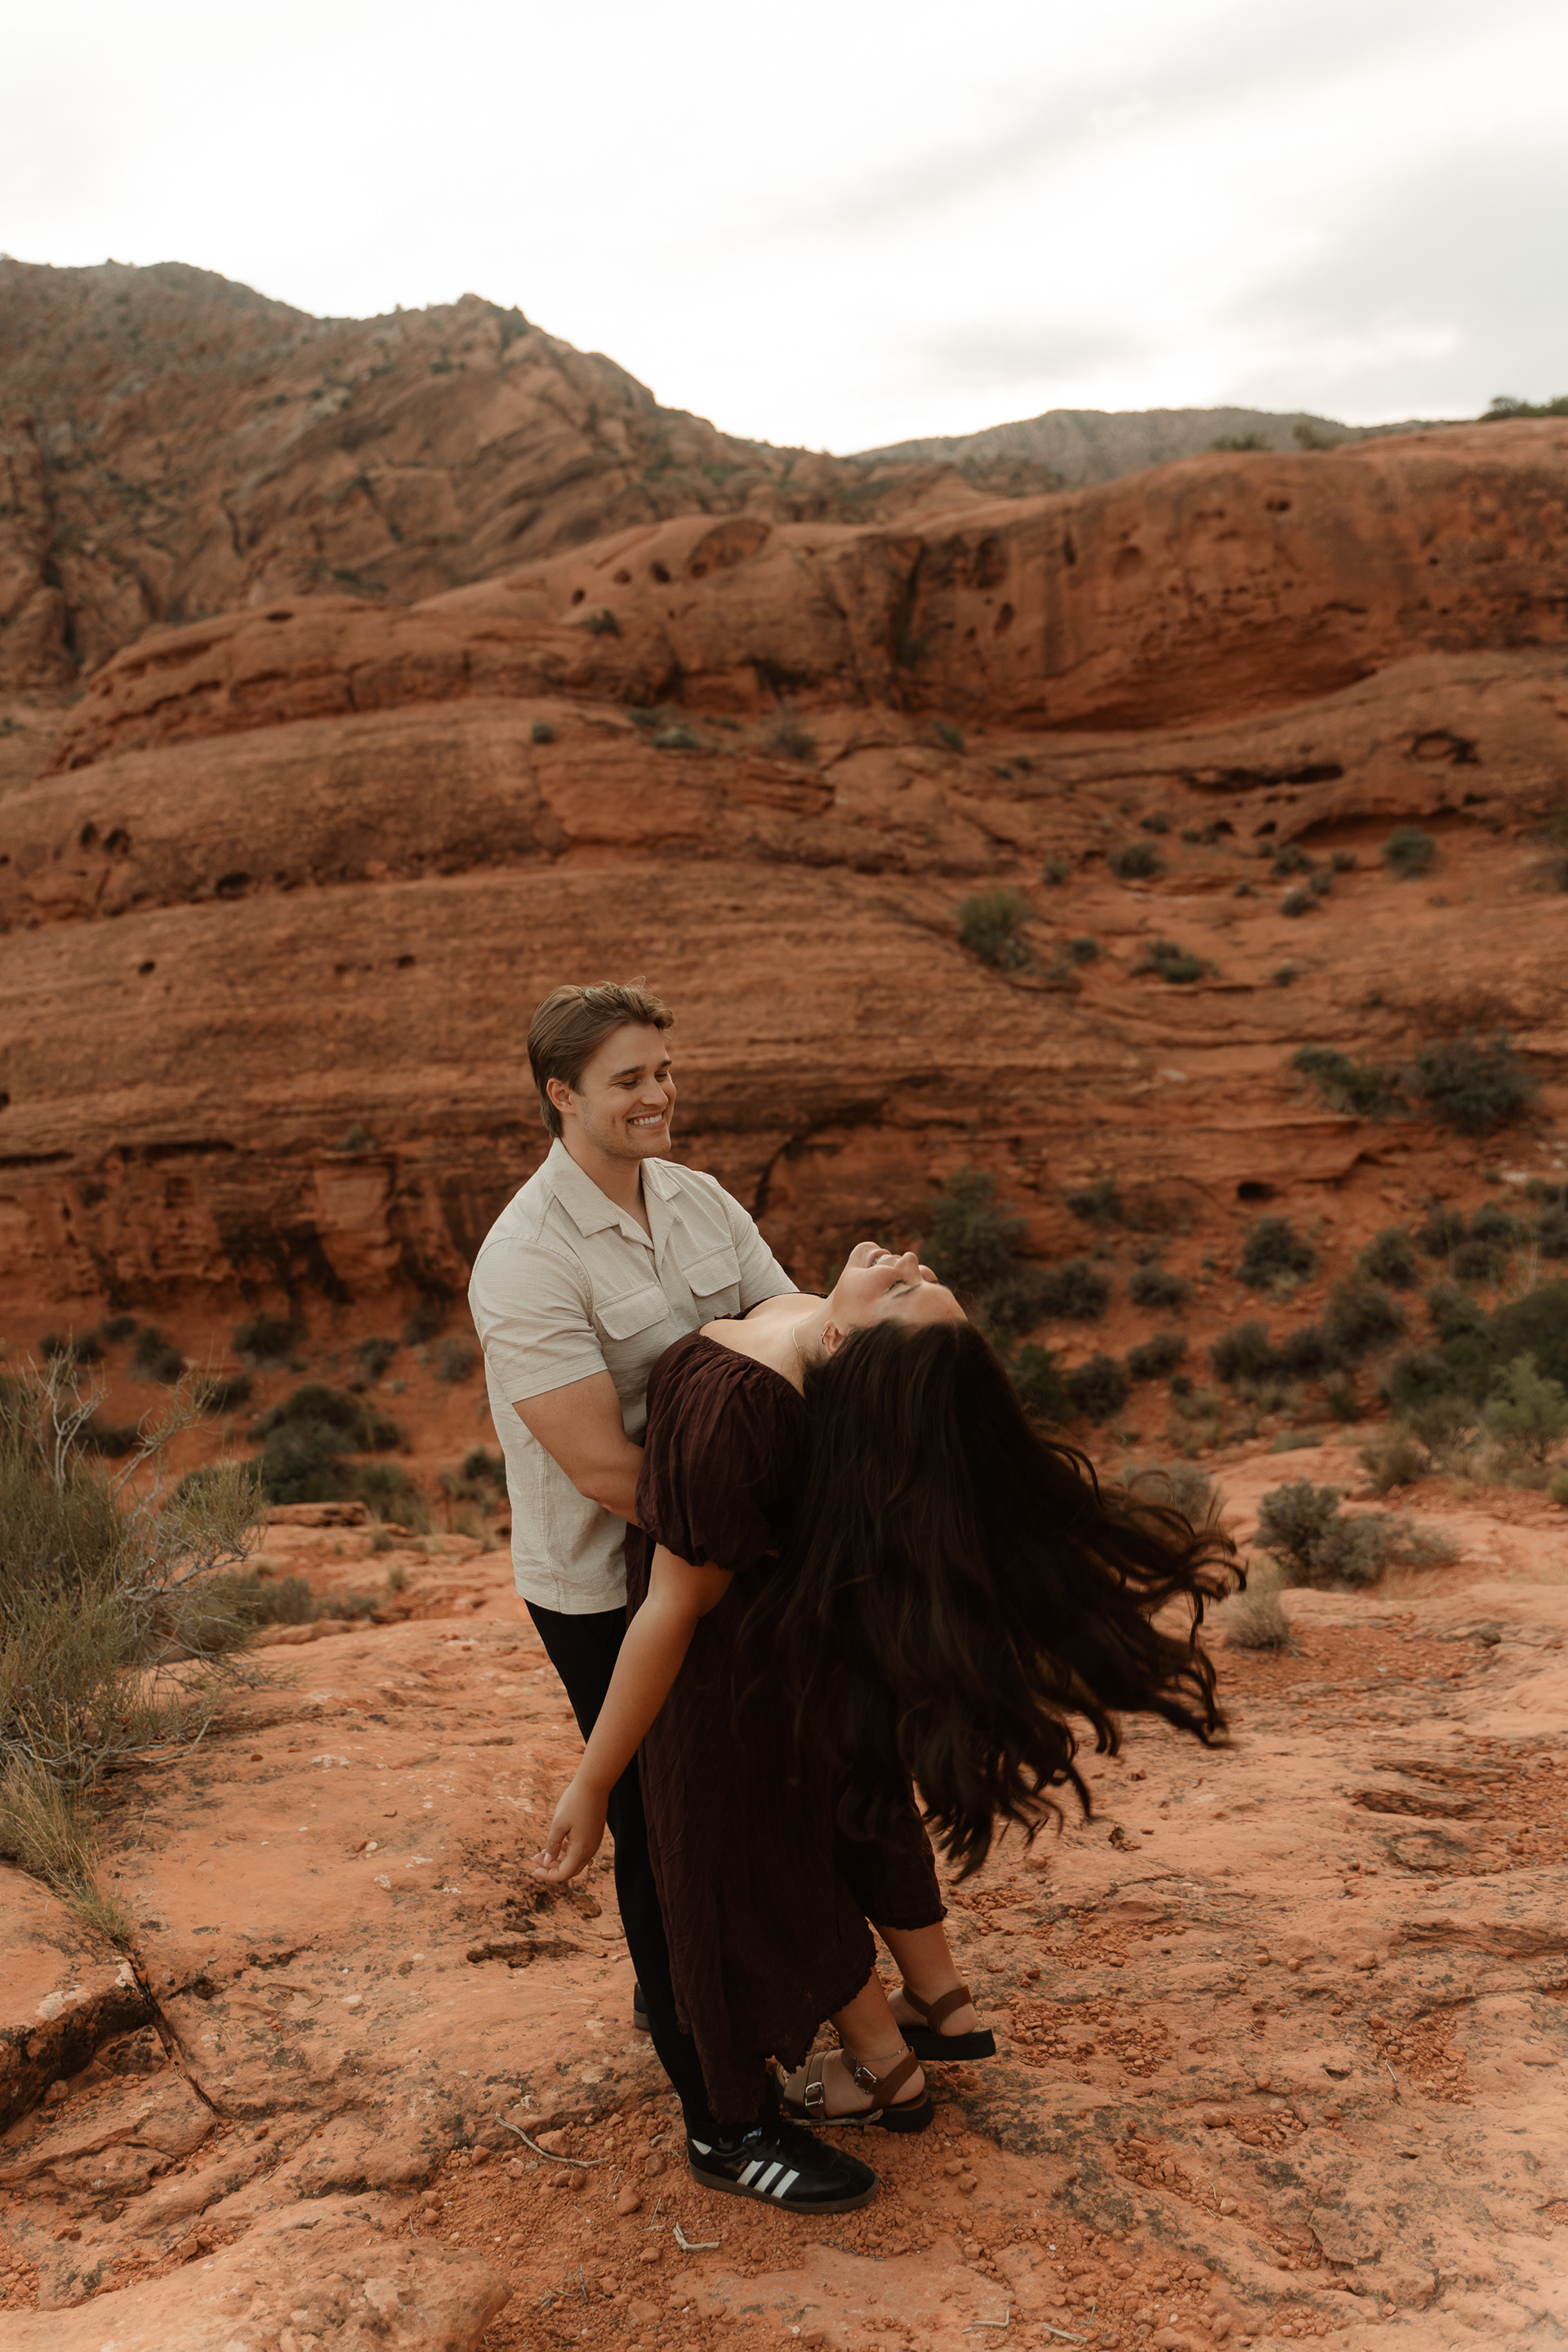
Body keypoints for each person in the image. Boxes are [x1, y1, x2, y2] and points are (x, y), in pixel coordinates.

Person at [536, 1246, 1236, 2176]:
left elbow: (671, 1609)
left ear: (843, 1345)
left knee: (763, 1856)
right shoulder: (819, 1350)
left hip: (724, 1672)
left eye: (905, 1290)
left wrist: (594, 1780)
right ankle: (941, 2005)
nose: (903, 1260)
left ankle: (886, 2073)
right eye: (921, 1276)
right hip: (788, 1633)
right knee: (835, 1814)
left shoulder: (737, 1419)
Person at [469, 980, 877, 2216]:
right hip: (607, 1585)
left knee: (763, 1792)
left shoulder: (695, 1196)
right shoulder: (527, 1261)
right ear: (561, 1095)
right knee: (669, 1833)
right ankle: (722, 2121)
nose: (658, 1096)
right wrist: (764, 1532)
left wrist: (848, 1315)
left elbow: (779, 1313)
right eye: (628, 1080)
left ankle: (752, 2013)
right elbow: (600, 1467)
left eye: (665, 1071)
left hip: (724, 1554)